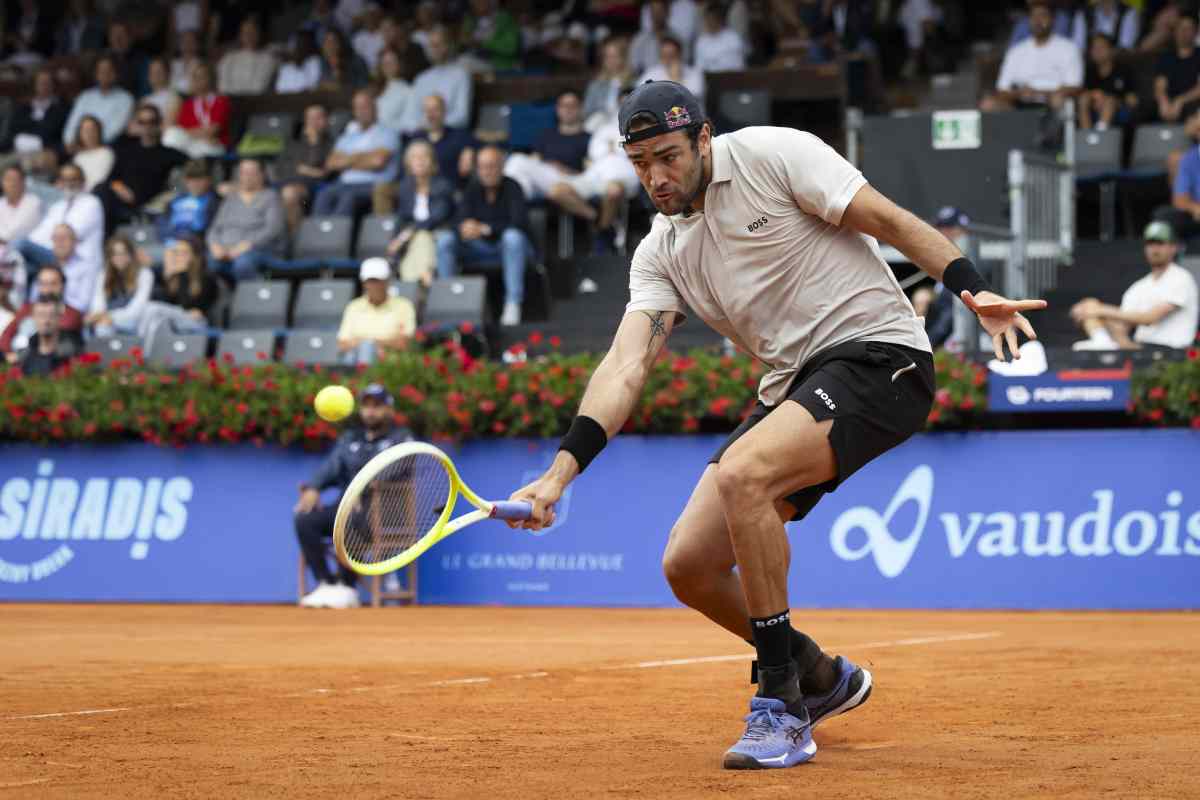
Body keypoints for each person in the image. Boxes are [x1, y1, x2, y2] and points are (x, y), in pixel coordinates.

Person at [505, 80, 1045, 769]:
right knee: (689, 565)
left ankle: (781, 704)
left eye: (667, 156)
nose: (656, 178)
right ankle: (820, 676)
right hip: (794, 385)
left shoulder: (772, 154)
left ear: (703, 139)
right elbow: (625, 366)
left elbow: (887, 219)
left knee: (744, 475)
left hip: (881, 354)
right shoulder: (660, 252)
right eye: (640, 164)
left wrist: (970, 287)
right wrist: (560, 473)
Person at [295, 383, 412, 609]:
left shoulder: (402, 437)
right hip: (348, 507)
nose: (370, 411)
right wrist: (314, 487)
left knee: (352, 518)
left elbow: (400, 465)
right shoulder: (351, 438)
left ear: (389, 410)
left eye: (377, 406)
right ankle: (327, 584)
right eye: (366, 405)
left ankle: (347, 587)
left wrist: (363, 487)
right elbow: (332, 466)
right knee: (305, 520)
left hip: (384, 512)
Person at [436, 145, 533, 327]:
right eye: (482, 167)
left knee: (513, 237)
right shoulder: (472, 188)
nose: (487, 172)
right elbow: (457, 220)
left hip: (509, 249)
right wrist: (465, 227)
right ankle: (448, 303)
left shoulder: (513, 187)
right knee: (445, 240)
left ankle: (512, 303)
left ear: (502, 166)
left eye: (492, 166)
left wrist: (485, 229)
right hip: (478, 248)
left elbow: (519, 223)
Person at [1071, 221, 1199, 350]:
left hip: (1174, 354)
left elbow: (1150, 318)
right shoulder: (1139, 287)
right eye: (1150, 244)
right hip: (1142, 350)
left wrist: (1100, 310)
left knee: (1094, 308)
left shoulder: (1181, 278)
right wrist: (1089, 312)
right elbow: (1121, 327)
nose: (1154, 249)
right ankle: (1100, 339)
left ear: (1173, 247)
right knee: (1090, 305)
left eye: (1160, 244)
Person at [546, 86, 639, 256]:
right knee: (556, 191)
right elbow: (594, 153)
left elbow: (634, 152)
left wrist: (614, 148)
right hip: (594, 175)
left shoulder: (645, 127)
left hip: (623, 178)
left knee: (613, 191)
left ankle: (602, 236)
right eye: (622, 103)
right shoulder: (605, 127)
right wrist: (616, 148)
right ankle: (599, 221)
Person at [94, 105, 188, 234]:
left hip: (149, 202)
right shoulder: (126, 150)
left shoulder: (170, 154)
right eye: (142, 122)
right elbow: (112, 178)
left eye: (152, 121)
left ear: (159, 123)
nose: (147, 126)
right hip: (120, 198)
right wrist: (121, 189)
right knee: (100, 190)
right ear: (137, 124)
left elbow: (195, 167)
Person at [980, 1, 1082, 113]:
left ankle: (1058, 131)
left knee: (1058, 99)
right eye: (1033, 16)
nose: (1038, 21)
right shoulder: (1016, 51)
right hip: (1019, 104)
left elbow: (1074, 87)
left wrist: (1038, 93)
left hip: (1052, 103)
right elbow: (1002, 89)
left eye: (1043, 16)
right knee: (988, 104)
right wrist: (1019, 94)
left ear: (1053, 20)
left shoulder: (1068, 48)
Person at [314, 89, 400, 218]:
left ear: (375, 108)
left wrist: (347, 160)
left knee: (347, 197)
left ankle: (335, 237)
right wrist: (364, 157)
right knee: (324, 194)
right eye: (358, 107)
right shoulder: (347, 136)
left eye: (365, 106)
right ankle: (318, 236)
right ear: (354, 111)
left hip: (373, 184)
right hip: (344, 184)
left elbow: (377, 162)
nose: (362, 111)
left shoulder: (388, 133)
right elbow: (331, 164)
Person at [385, 140, 455, 284]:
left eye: (424, 157)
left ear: (433, 162)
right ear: (408, 163)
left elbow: (436, 217)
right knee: (416, 244)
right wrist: (395, 239)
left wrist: (406, 235)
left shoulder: (443, 186)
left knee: (422, 237)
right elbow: (402, 218)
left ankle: (414, 285)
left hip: (438, 234)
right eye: (415, 157)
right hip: (412, 240)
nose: (420, 161)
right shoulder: (405, 188)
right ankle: (423, 280)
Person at [16, 164, 105, 277]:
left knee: (20, 244)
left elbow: (67, 236)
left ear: (83, 181)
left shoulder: (92, 203)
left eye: (73, 179)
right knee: (22, 268)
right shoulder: (58, 206)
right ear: (60, 182)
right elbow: (39, 234)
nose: (69, 183)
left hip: (79, 259)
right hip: (53, 256)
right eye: (65, 179)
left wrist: (29, 246)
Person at [502, 89, 591, 201]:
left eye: (572, 105)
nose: (567, 109)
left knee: (517, 160)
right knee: (521, 181)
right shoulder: (547, 134)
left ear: (580, 108)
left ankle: (501, 210)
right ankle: (512, 214)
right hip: (543, 179)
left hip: (570, 181)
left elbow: (591, 174)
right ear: (557, 109)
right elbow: (535, 158)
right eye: (563, 105)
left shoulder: (588, 138)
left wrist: (565, 170)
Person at [207, 159, 285, 281]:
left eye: (251, 172)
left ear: (262, 175)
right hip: (225, 249)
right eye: (243, 172)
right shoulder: (231, 198)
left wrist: (248, 245)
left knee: (243, 264)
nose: (247, 176)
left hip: (257, 248)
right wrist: (214, 245)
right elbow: (215, 228)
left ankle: (254, 296)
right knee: (211, 263)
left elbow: (273, 229)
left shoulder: (270, 197)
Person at [140, 235, 219, 354]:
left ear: (194, 256)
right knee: (154, 318)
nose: (179, 256)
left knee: (152, 308)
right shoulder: (172, 275)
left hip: (197, 322)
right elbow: (164, 303)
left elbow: (191, 307)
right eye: (176, 252)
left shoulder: (205, 277)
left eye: (184, 253)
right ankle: (149, 354)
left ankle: (140, 352)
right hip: (174, 319)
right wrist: (168, 277)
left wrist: (183, 275)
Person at [337, 257, 417, 363]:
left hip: (390, 363)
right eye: (370, 281)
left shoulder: (404, 306)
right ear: (363, 283)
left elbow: (406, 342)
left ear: (387, 282)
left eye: (377, 281)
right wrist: (369, 344)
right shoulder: (353, 307)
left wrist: (372, 344)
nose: (373, 286)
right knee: (357, 353)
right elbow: (342, 344)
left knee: (366, 350)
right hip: (356, 358)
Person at [911, 206, 968, 348]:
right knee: (922, 297)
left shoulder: (968, 261)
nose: (942, 234)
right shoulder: (940, 258)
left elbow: (948, 314)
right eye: (940, 228)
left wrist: (925, 346)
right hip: (940, 336)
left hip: (958, 339)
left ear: (962, 231)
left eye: (948, 228)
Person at [399, 26, 473, 133]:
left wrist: (434, 126)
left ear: (448, 46)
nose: (434, 49)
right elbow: (408, 118)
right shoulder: (421, 79)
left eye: (438, 45)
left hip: (450, 134)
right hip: (422, 135)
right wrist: (422, 127)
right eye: (431, 45)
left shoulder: (461, 75)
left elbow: (462, 117)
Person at [0, 264, 83, 360]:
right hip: (21, 362)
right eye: (43, 284)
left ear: (62, 285)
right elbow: (6, 337)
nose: (48, 289)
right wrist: (9, 354)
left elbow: (54, 339)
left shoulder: (72, 315)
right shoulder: (26, 309)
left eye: (53, 283)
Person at [277, 105, 335, 233]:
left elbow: (325, 173)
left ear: (326, 120)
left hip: (312, 188)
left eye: (318, 118)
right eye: (310, 118)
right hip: (285, 182)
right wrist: (307, 170)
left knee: (289, 194)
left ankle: (296, 241)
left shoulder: (332, 143)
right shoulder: (293, 142)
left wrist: (314, 143)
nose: (313, 122)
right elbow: (281, 168)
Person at [84, 235, 153, 338]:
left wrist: (111, 318)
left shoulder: (144, 274)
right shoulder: (103, 275)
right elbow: (98, 304)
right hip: (107, 321)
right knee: (98, 326)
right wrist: (99, 316)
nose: (119, 258)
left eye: (123, 253)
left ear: (130, 255)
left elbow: (137, 309)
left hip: (134, 323)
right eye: (115, 254)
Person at [61, 55, 135, 146]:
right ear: (95, 74)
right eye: (101, 70)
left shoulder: (125, 98)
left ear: (116, 74)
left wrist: (90, 143)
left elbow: (115, 130)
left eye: (109, 70)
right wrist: (69, 142)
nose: (105, 74)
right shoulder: (85, 96)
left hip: (106, 147)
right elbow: (72, 123)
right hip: (78, 145)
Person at [406, 93, 477, 188]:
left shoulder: (459, 136)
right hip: (422, 192)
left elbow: (482, 147)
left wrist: (470, 150)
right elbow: (407, 168)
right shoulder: (416, 138)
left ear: (444, 111)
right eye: (427, 110)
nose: (431, 114)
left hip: (452, 193)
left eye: (435, 109)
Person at [164, 62, 231, 158]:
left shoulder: (221, 101)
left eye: (202, 76)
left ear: (211, 79)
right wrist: (198, 134)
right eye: (195, 77)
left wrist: (189, 133)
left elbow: (213, 130)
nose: (197, 80)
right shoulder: (188, 104)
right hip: (192, 144)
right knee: (171, 133)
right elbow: (179, 129)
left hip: (213, 146)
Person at [1078, 33, 1139, 130]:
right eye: (1094, 48)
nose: (1097, 51)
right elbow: (1083, 93)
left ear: (1112, 50)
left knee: (1109, 101)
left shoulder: (1124, 71)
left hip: (1118, 108)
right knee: (1083, 99)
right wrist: (1096, 97)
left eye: (1101, 47)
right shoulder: (1089, 71)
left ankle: (1101, 134)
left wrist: (1113, 101)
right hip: (1093, 106)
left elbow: (1132, 100)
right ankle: (1086, 135)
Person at [2, 68, 67, 157]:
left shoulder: (61, 110)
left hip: (45, 153)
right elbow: (11, 133)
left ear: (53, 85)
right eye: (41, 82)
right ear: (34, 84)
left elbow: (55, 136)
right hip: (15, 151)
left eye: (48, 82)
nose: (44, 85)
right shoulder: (22, 108)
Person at [18, 295, 83, 376]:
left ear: (60, 317)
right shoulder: (25, 357)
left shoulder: (72, 354)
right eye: (41, 315)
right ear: (34, 318)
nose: (46, 320)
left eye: (51, 315)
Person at [1154, 13, 1200, 123]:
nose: (1183, 32)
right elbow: (1160, 85)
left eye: (1188, 28)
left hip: (1191, 101)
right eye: (1180, 28)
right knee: (1145, 109)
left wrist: (1180, 101)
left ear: (1196, 32)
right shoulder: (1166, 57)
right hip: (1169, 101)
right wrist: (1163, 101)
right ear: (1175, 31)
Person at [583, 37, 636, 131]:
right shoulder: (596, 85)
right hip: (599, 128)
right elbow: (587, 112)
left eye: (615, 56)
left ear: (623, 58)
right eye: (607, 57)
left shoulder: (634, 82)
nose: (611, 61)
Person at [160, 160, 219, 242]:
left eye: (200, 179)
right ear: (185, 180)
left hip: (198, 243)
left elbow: (213, 229)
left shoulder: (215, 202)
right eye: (191, 179)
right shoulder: (175, 201)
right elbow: (163, 224)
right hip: (172, 241)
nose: (195, 183)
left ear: (209, 180)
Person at [217, 18, 278, 95]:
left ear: (259, 33)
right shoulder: (228, 59)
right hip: (231, 102)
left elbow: (260, 88)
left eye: (252, 31)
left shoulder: (268, 59)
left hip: (257, 102)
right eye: (245, 32)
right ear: (240, 35)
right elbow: (223, 87)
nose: (249, 35)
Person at [459, 0, 522, 73]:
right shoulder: (470, 19)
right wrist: (465, 41)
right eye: (474, 2)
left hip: (503, 64)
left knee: (463, 63)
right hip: (476, 60)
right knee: (459, 62)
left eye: (482, 2)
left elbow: (511, 47)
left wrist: (482, 42)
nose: (477, 4)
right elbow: (463, 41)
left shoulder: (505, 19)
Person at [638, 36, 706, 103]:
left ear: (680, 55)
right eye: (664, 56)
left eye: (671, 56)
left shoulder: (694, 72)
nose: (668, 60)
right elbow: (639, 92)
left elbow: (692, 97)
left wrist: (676, 77)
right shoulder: (652, 72)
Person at [0, 166, 43, 251]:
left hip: (25, 251)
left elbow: (15, 233)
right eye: (8, 179)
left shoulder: (34, 203)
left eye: (15, 180)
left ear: (23, 182)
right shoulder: (1, 202)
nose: (12, 184)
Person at [693, 2, 745, 72]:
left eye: (712, 19)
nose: (709, 22)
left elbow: (737, 66)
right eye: (707, 19)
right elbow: (699, 67)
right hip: (707, 79)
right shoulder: (701, 40)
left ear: (719, 20)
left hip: (730, 78)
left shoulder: (733, 38)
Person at [1072, 0, 1139, 53]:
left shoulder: (1128, 12)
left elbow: (1125, 47)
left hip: (1119, 63)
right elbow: (1078, 47)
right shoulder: (1083, 13)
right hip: (1088, 63)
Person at [69, 116, 115, 191]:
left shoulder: (106, 153)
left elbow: (97, 182)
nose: (88, 133)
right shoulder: (78, 156)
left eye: (92, 129)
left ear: (99, 132)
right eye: (85, 130)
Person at [375, 47, 414, 134]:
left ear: (400, 64)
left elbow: (409, 125)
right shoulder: (373, 89)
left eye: (392, 62)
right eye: (384, 62)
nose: (388, 65)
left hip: (390, 137)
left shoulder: (408, 91)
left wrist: (384, 127)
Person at [275, 29, 323, 94]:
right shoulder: (285, 67)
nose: (300, 46)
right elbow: (279, 89)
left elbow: (313, 86)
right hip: (287, 101)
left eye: (304, 43)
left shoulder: (314, 61)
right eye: (298, 43)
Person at [143, 57, 182, 128]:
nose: (154, 75)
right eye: (151, 71)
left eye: (158, 71)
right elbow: (132, 128)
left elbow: (168, 126)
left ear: (167, 73)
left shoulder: (174, 97)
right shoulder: (144, 99)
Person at [170, 30, 204, 95]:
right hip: (174, 97)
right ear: (180, 45)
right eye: (184, 41)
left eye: (191, 41)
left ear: (197, 45)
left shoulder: (201, 64)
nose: (187, 45)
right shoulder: (174, 64)